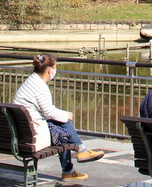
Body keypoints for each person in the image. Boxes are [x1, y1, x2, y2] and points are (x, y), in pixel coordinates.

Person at [13, 53, 104, 181]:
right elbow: (49, 111)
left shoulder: (31, 81)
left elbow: (46, 112)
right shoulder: (40, 87)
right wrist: (67, 115)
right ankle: (77, 156)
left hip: (21, 132)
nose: (55, 71)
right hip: (32, 136)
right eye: (55, 68)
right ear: (49, 70)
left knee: (61, 123)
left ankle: (77, 157)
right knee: (63, 126)